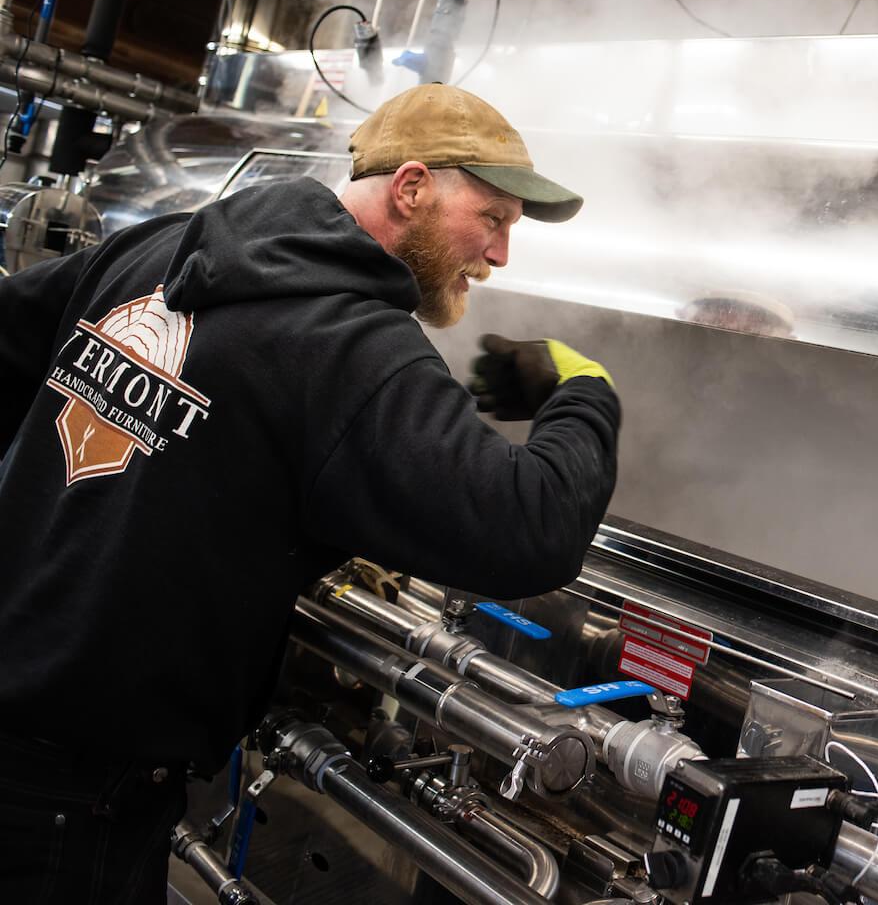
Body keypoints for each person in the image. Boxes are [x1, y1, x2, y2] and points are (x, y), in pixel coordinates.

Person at [0, 83, 620, 903]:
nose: (500, 255)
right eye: (495, 218)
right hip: (74, 796)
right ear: (411, 187)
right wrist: (585, 388)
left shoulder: (160, 246)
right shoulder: (355, 347)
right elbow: (529, 527)